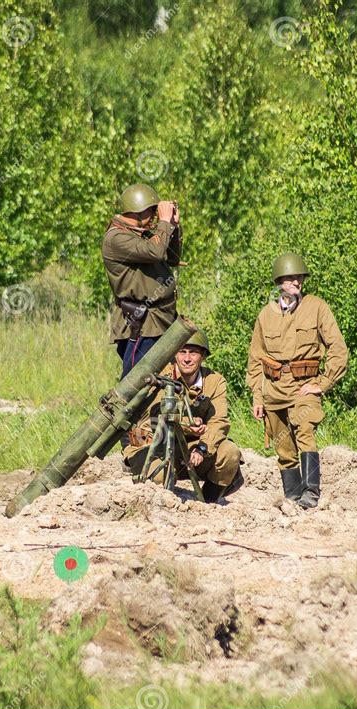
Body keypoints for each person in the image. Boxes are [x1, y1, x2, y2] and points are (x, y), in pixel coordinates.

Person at [247, 253, 348, 509]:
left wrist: (323, 383)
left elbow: (338, 349)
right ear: (279, 281)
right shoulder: (265, 315)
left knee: (305, 431)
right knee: (283, 445)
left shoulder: (316, 307)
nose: (297, 282)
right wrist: (257, 397)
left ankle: (310, 493)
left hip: (304, 387)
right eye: (291, 278)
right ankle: (292, 495)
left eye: (299, 277)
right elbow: (255, 359)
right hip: (273, 390)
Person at [125, 330, 244, 503]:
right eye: (182, 352)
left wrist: (203, 448)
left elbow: (220, 421)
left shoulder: (214, 381)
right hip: (154, 443)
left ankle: (207, 503)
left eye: (193, 352)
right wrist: (189, 425)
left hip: (190, 447)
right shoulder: (160, 376)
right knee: (160, 478)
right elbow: (154, 417)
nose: (187, 358)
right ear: (175, 355)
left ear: (203, 356)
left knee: (230, 453)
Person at [102, 183, 182, 379]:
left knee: (162, 381)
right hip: (142, 323)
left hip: (160, 318)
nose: (155, 216)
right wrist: (164, 221)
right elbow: (155, 252)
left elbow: (171, 257)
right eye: (152, 211)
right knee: (137, 382)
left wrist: (172, 225)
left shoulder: (139, 233)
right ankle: (120, 410)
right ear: (138, 211)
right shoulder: (116, 238)